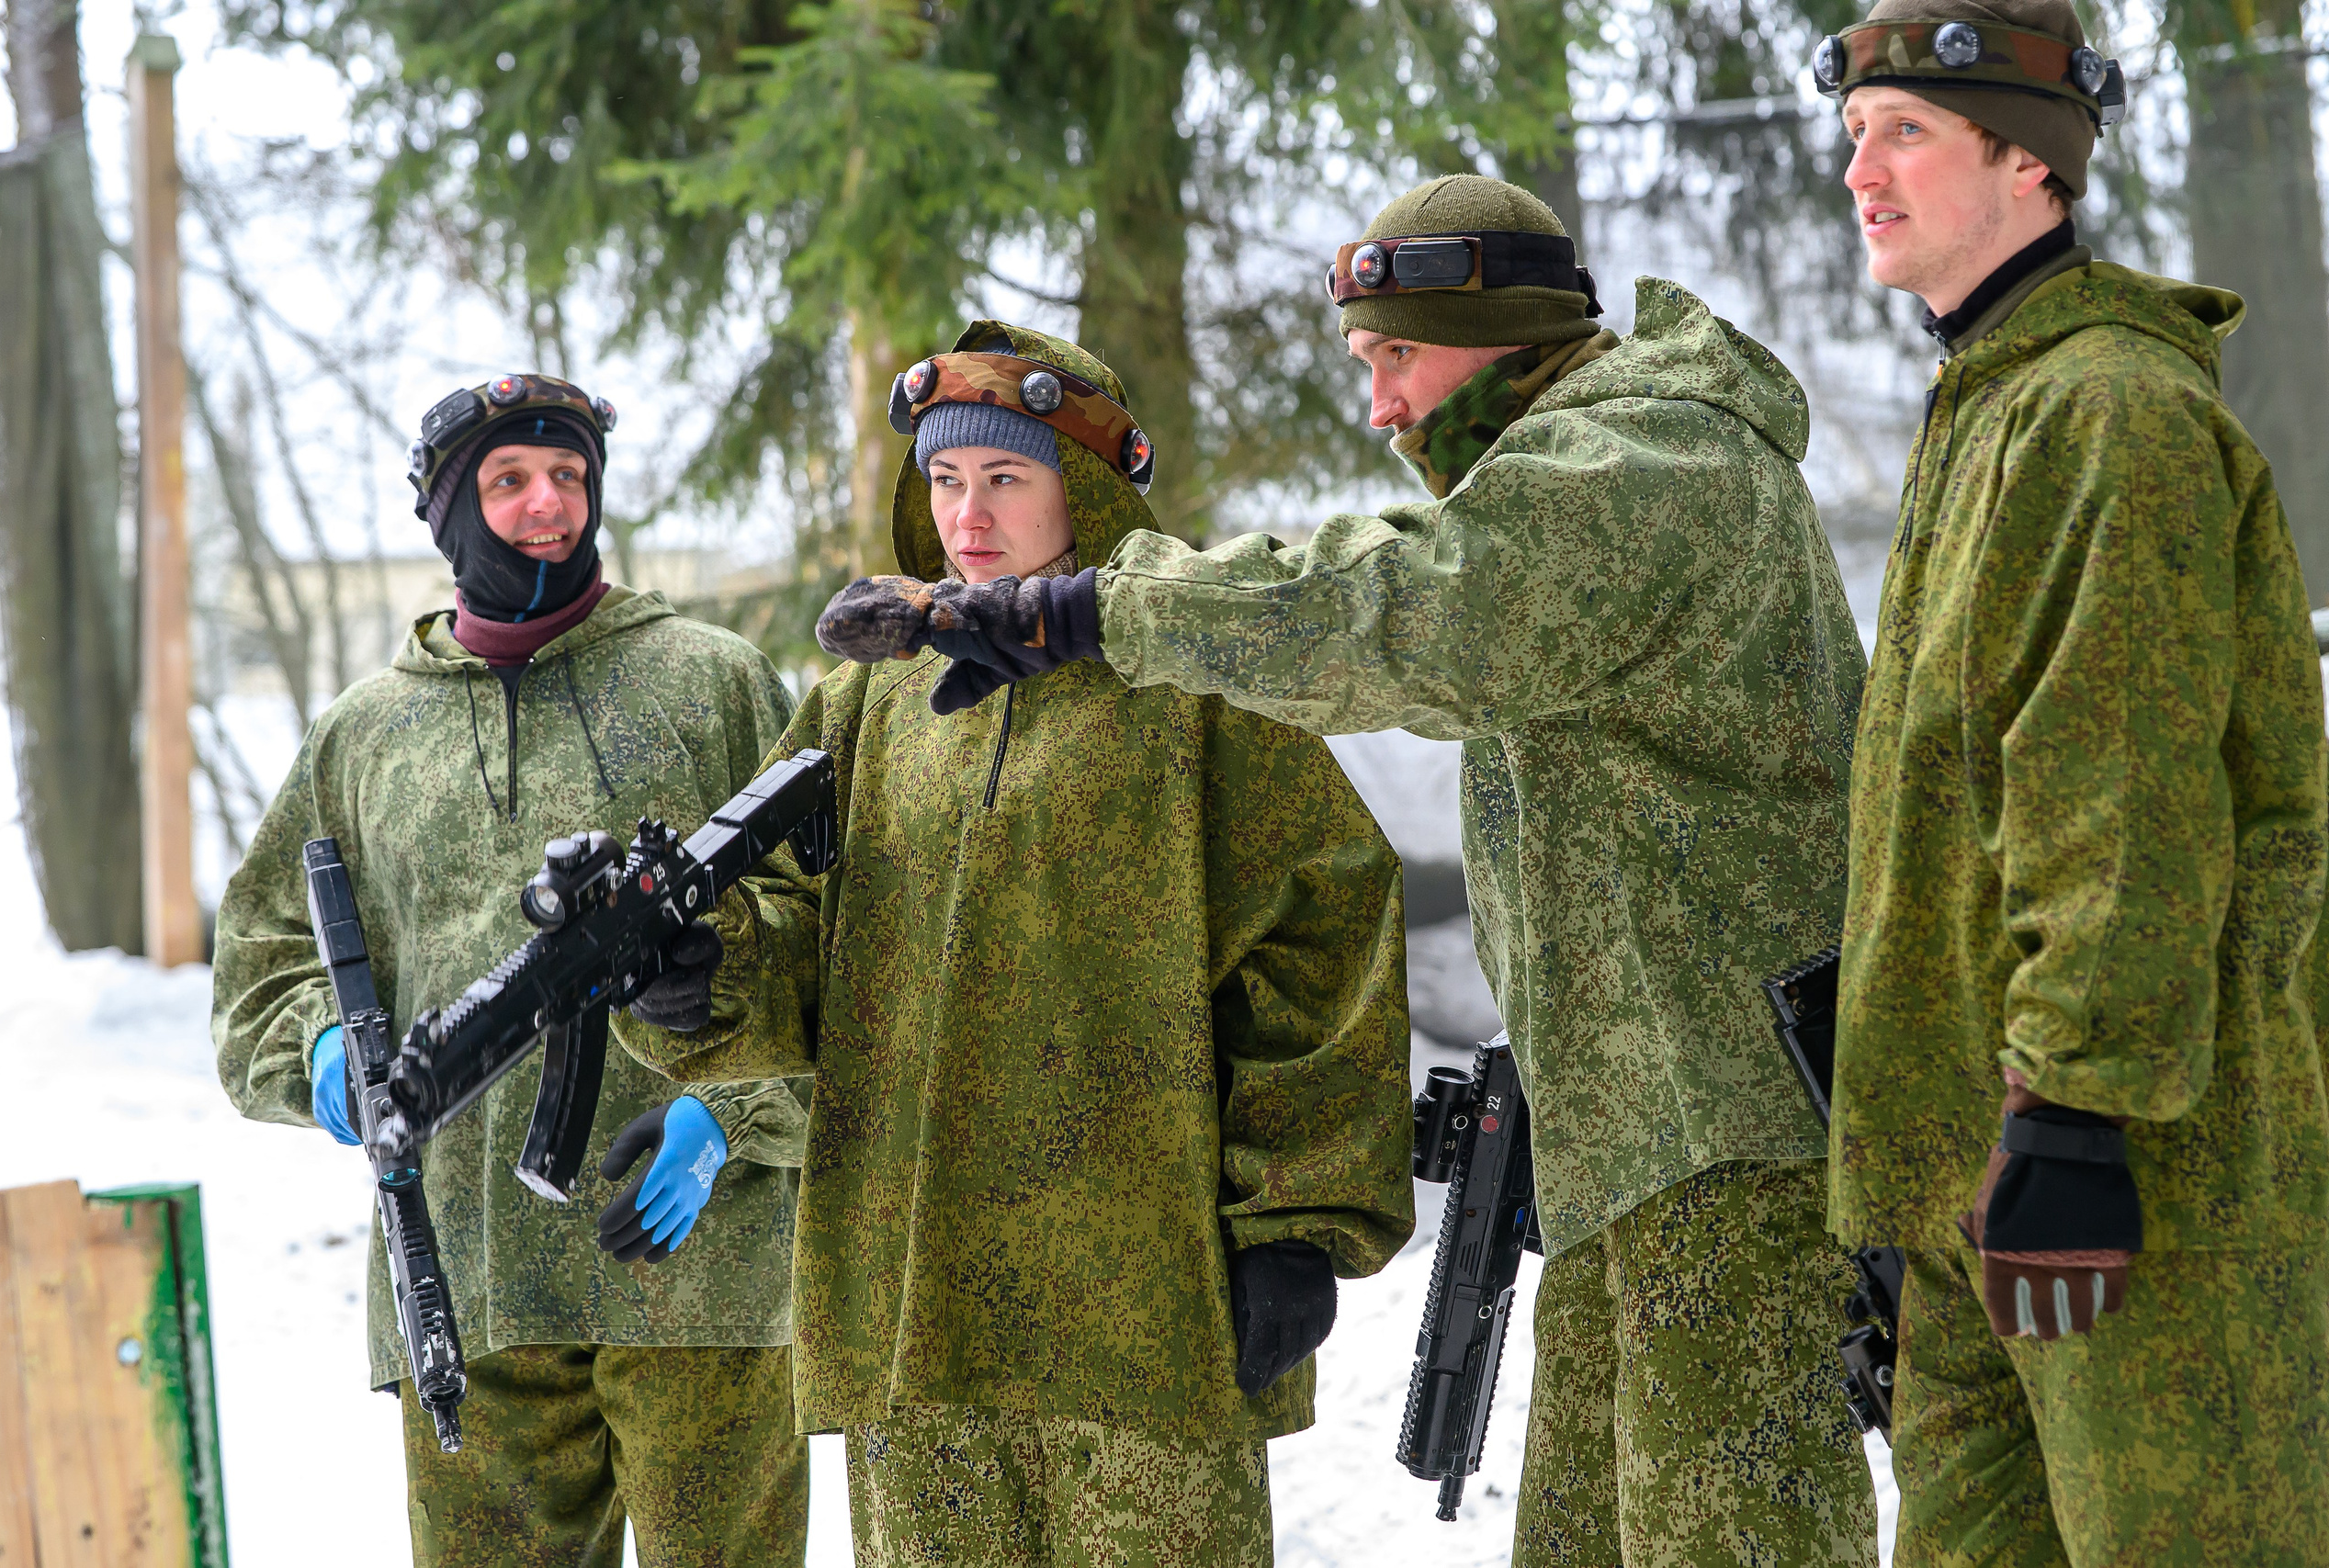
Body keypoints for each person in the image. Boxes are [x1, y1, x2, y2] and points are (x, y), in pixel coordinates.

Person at [818, 180, 1879, 1566]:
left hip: (1733, 1138)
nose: (1381, 407)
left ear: (1497, 335)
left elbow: (1399, 618)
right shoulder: (1570, 479)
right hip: (1646, 1140)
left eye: (1397, 356)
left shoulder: (1645, 469)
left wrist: (1091, 610)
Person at [611, 321, 1414, 1568]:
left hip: (1144, 1305)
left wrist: (1298, 1219)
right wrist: (703, 970)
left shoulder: (1191, 687)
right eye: (944, 480)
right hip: (914, 1309)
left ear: (1080, 486)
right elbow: (792, 923)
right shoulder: (867, 699)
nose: (967, 517)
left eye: (1004, 477)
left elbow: (1322, 939)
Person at [1811, 1, 2329, 1560]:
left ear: (2031, 163)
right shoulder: (1992, 402)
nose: (1861, 171)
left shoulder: (2110, 413)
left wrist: (2075, 1112)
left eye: (1906, 132)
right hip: (1975, 1185)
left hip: (2137, 1183)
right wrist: (1914, 1172)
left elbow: (2124, 800)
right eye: (1855, 134)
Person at [212, 374, 810, 1567]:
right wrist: (325, 1057)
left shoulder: (713, 682)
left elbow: (831, 934)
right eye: (509, 480)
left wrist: (736, 1114)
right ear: (448, 513)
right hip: (466, 1285)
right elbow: (260, 968)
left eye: (570, 475)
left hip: (705, 1277)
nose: (548, 503)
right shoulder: (363, 737)